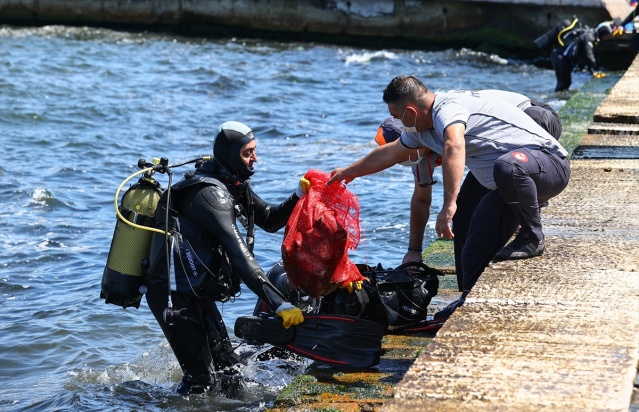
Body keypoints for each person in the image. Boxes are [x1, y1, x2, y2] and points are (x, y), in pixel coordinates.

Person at [327, 75, 570, 319]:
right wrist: (348, 172)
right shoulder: (420, 132)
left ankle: (532, 236)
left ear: (411, 111)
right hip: (503, 181)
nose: (399, 122)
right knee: (469, 232)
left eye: (399, 116)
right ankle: (468, 298)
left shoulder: (447, 109)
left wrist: (448, 204)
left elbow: (454, 145)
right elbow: (389, 153)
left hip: (548, 165)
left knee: (505, 168)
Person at [145, 121, 307, 396]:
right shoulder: (211, 195)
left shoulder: (231, 182)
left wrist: (299, 195)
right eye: (248, 153)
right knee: (200, 381)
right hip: (171, 295)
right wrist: (280, 305)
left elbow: (268, 219)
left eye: (254, 151)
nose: (255, 158)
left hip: (196, 290)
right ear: (231, 155)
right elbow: (241, 258)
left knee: (230, 372)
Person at [375, 90, 563, 292]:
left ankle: (529, 231)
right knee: (465, 211)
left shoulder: (443, 122)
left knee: (504, 173)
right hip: (501, 156)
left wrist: (449, 204)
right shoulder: (421, 157)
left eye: (405, 154)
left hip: (536, 118)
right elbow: (421, 201)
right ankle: (466, 289)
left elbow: (463, 147)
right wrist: (414, 251)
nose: (406, 159)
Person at [544, 18, 608, 92]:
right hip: (560, 56)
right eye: (606, 36)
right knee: (562, 83)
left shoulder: (589, 33)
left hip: (563, 57)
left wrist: (592, 70)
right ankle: (556, 99)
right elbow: (589, 54)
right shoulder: (589, 36)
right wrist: (595, 70)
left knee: (567, 82)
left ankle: (561, 98)